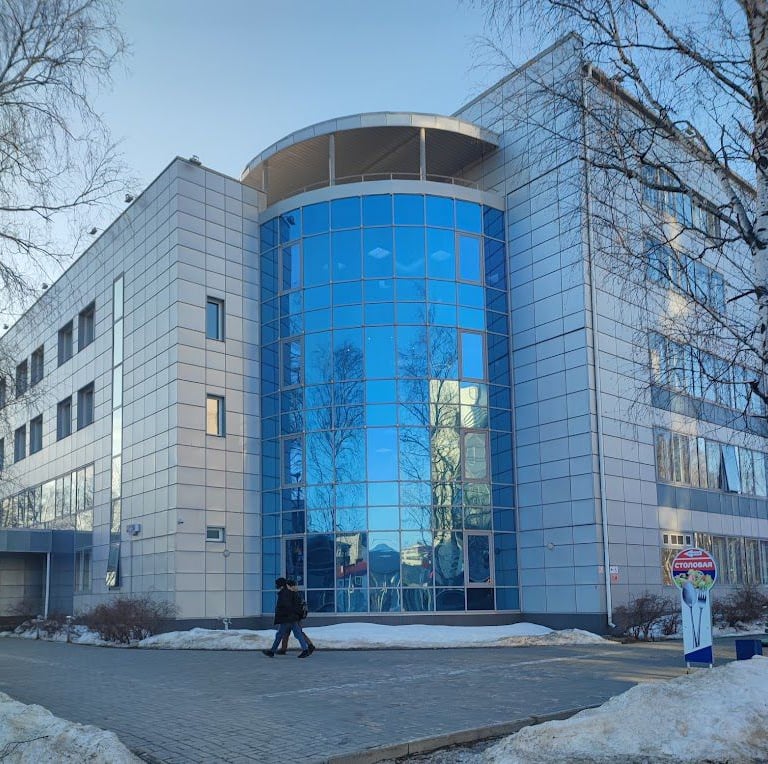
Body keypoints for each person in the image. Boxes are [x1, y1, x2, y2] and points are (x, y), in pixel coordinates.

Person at [262, 578, 312, 658]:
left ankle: (272, 651)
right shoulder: (291, 592)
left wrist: (283, 613)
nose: (276, 586)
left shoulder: (284, 593)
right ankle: (305, 650)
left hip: (286, 618)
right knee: (298, 634)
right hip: (292, 617)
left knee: (280, 635)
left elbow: (287, 606)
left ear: (281, 585)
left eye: (277, 584)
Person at [276, 580, 315, 655]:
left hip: (293, 617)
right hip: (294, 616)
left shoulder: (292, 593)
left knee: (296, 633)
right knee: (287, 633)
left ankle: (309, 646)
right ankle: (283, 649)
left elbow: (291, 606)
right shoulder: (295, 593)